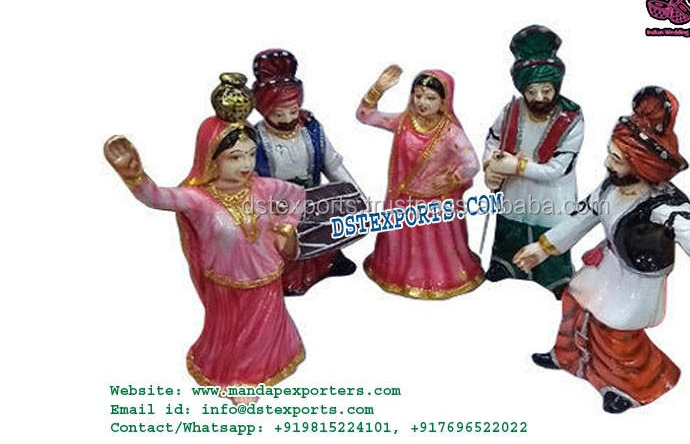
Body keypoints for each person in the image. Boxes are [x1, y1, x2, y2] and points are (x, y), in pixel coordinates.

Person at [512, 86, 690, 413]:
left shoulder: (664, 206)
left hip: (634, 282)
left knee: (617, 334)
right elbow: (583, 216)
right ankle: (568, 357)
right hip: (606, 266)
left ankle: (627, 386)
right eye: (610, 153)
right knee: (574, 303)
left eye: (617, 158)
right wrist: (543, 248)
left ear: (642, 165)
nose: (608, 163)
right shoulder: (611, 186)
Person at [104, 73, 306, 404]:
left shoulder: (263, 187)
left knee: (268, 328)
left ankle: (271, 363)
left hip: (267, 279)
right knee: (233, 334)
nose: (246, 165)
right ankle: (238, 378)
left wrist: (287, 226)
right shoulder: (198, 199)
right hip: (226, 285)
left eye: (250, 154)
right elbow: (156, 197)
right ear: (212, 156)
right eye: (235, 157)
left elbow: (298, 196)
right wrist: (134, 175)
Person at [355, 66, 483, 299]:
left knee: (436, 251)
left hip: (435, 205)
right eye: (418, 95)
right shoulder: (404, 121)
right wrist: (377, 89)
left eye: (431, 98)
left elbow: (472, 164)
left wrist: (450, 178)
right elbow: (365, 116)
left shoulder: (450, 132)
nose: (422, 102)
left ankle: (437, 279)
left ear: (444, 102)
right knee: (400, 246)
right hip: (402, 200)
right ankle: (398, 274)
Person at [483, 25, 585, 299]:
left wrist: (517, 167)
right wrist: (490, 167)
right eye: (532, 91)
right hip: (514, 192)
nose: (539, 98)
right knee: (510, 229)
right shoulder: (512, 109)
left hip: (551, 196)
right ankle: (506, 266)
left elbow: (557, 168)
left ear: (556, 87)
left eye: (546, 90)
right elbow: (493, 139)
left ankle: (553, 277)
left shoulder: (572, 118)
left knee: (549, 234)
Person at [252, 48, 359, 295]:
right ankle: (285, 276)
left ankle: (326, 262)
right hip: (275, 208)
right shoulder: (255, 139)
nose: (287, 119)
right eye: (278, 113)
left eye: (292, 111)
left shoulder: (311, 129)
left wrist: (352, 191)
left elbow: (332, 164)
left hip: (313, 202)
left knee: (322, 229)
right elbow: (251, 179)